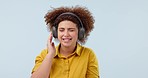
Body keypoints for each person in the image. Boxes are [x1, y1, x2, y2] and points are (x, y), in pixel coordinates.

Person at [31, 5, 100, 78]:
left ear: (80, 33)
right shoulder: (45, 54)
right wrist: (50, 55)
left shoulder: (88, 54)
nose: (66, 34)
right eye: (61, 30)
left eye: (71, 30)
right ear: (55, 32)